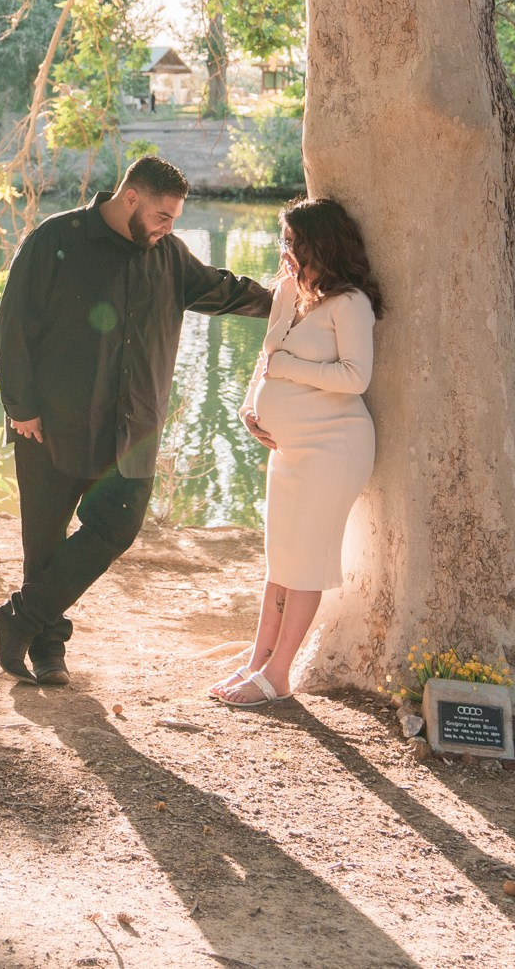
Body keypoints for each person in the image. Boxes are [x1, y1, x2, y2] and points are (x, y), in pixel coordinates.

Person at [0, 155, 273, 684]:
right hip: (52, 425)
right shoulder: (56, 239)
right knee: (44, 544)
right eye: (163, 216)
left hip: (132, 429)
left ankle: (18, 620)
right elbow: (14, 326)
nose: (169, 227)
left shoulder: (169, 255)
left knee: (118, 526)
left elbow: (224, 290)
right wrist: (19, 407)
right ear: (131, 198)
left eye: (175, 219)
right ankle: (47, 650)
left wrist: (289, 302)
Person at [209, 197, 382, 708]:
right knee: (279, 560)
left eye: (294, 243)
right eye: (283, 241)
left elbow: (355, 376)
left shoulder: (350, 304)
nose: (285, 251)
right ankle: (257, 661)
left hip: (334, 447)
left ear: (321, 245)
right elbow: (266, 359)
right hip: (287, 449)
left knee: (305, 563)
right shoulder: (288, 290)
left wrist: (286, 370)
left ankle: (279, 675)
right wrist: (249, 407)